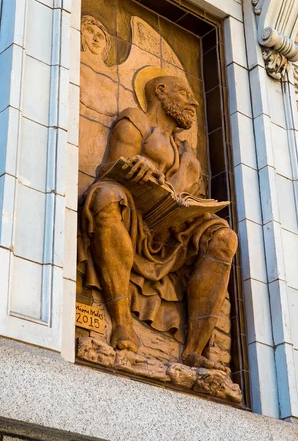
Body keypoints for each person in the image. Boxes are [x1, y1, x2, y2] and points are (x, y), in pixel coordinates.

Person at [79, 69, 238, 370]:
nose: (193, 103)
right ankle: (122, 323)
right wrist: (134, 164)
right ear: (161, 91)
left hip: (172, 231)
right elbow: (108, 170)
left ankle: (195, 350)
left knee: (223, 237)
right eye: (184, 94)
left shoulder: (187, 153)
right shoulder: (135, 122)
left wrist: (189, 192)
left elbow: (193, 201)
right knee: (105, 196)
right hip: (133, 217)